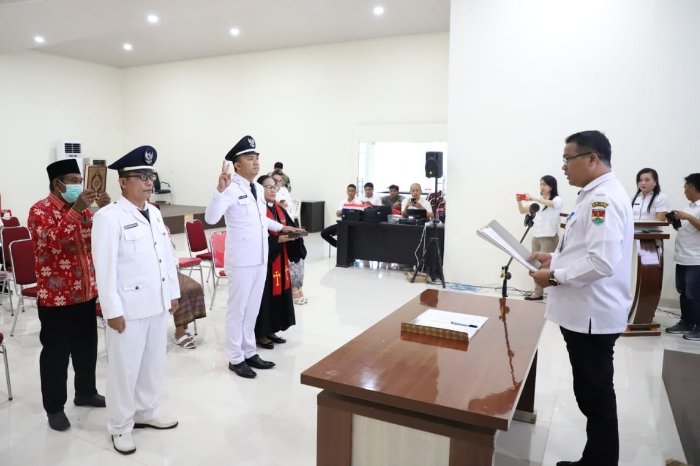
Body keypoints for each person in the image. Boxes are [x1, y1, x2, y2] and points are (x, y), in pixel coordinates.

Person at [529, 131, 632, 466]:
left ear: (592, 159)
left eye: (568, 159)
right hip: (586, 312)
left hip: (591, 315)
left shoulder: (603, 200)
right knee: (591, 392)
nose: (563, 167)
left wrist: (554, 276)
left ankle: (600, 462)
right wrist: (554, 259)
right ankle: (596, 459)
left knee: (595, 394)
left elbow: (600, 262)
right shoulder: (594, 195)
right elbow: (584, 250)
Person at [92, 146, 181, 455]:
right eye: (141, 177)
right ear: (122, 182)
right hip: (127, 309)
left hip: (156, 303)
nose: (148, 182)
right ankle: (120, 426)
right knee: (124, 370)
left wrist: (172, 293)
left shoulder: (154, 212)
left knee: (153, 364)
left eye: (150, 176)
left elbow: (165, 256)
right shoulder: (108, 217)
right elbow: (104, 270)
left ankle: (146, 411)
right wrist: (111, 310)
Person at [204, 135, 302, 379]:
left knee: (252, 309)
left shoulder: (257, 188)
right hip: (241, 261)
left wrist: (282, 227)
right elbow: (211, 218)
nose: (256, 161)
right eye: (250, 158)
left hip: (260, 257)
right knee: (237, 310)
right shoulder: (229, 189)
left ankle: (249, 351)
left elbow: (261, 220)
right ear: (237, 165)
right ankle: (235, 357)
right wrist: (219, 191)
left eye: (257, 157)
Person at [27, 158, 110, 432]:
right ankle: (54, 408)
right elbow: (53, 242)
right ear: (57, 184)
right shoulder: (39, 211)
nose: (79, 186)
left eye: (80, 180)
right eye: (73, 181)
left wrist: (106, 211)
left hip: (85, 293)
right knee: (56, 354)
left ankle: (85, 392)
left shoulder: (85, 212)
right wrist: (76, 210)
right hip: (56, 298)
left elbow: (98, 240)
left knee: (86, 348)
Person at [254, 175, 297, 349]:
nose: (273, 190)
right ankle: (261, 333)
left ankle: (272, 329)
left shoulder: (279, 208)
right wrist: (277, 240)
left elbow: (288, 225)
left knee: (277, 296)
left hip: (280, 257)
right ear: (259, 189)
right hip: (265, 260)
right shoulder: (257, 209)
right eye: (268, 187)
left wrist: (296, 234)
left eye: (275, 187)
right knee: (264, 298)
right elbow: (257, 236)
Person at [516, 175, 563, 300]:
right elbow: (522, 211)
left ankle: (553, 294)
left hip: (549, 237)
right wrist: (519, 201)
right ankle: (538, 293)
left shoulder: (557, 199)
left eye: (545, 184)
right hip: (536, 237)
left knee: (547, 267)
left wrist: (534, 198)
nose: (542, 187)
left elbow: (553, 204)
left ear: (551, 186)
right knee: (534, 266)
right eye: (541, 184)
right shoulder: (537, 202)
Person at [665, 173, 700, 341]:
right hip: (682, 257)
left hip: (696, 259)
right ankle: (686, 322)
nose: (684, 191)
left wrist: (688, 217)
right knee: (684, 293)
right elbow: (685, 229)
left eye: (686, 187)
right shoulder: (689, 206)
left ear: (693, 187)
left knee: (695, 295)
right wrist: (675, 221)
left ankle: (699, 327)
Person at [320, 184, 359, 248]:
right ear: (346, 191)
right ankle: (338, 246)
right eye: (349, 191)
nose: (350, 193)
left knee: (347, 236)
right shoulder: (342, 202)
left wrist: (344, 212)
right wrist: (345, 212)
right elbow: (338, 214)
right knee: (324, 233)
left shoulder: (358, 202)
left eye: (352, 191)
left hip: (353, 225)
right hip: (342, 223)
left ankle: (345, 248)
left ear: (355, 192)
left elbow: (357, 215)